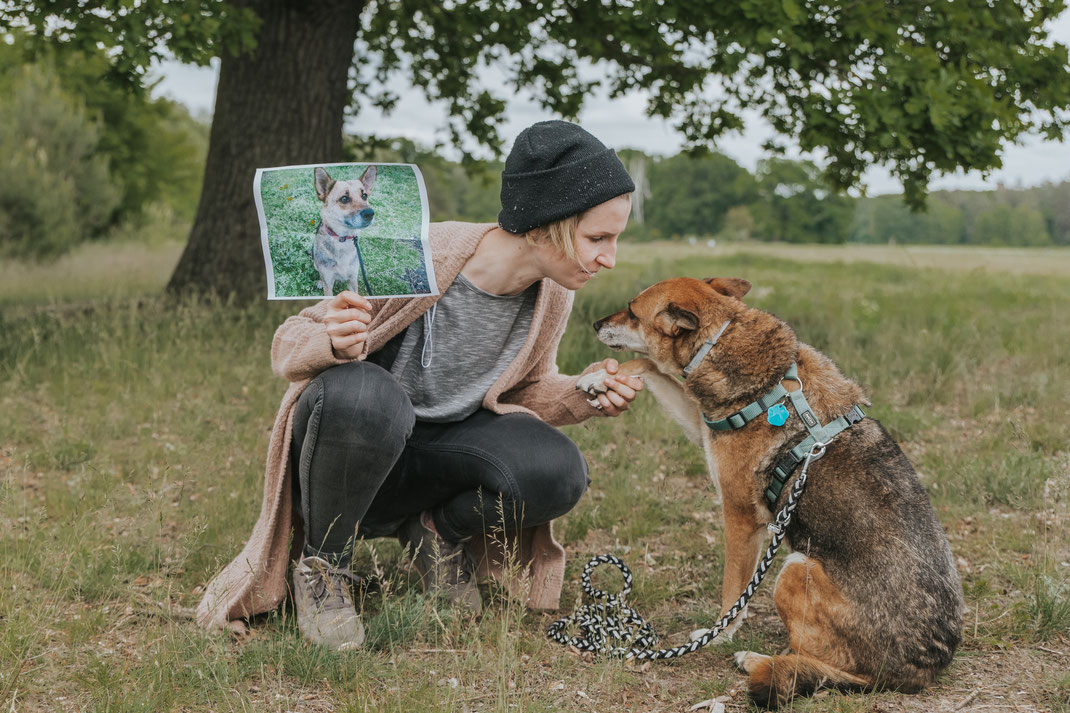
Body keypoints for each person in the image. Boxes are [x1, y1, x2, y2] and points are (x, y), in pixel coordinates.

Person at [196, 120, 643, 649]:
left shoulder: (552, 292)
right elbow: (289, 341)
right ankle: (325, 570)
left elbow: (525, 391)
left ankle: (436, 532)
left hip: (442, 457)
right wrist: (333, 343)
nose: (609, 258)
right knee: (368, 393)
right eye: (598, 238)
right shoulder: (418, 250)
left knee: (558, 471)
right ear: (545, 223)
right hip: (354, 448)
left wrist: (582, 392)